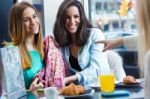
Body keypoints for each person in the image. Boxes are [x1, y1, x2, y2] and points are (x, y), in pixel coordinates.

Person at [53, 0, 111, 86]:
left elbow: (95, 70)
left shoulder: (95, 34)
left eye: (76, 16)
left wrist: (67, 79)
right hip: (81, 92)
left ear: (81, 17)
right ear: (62, 20)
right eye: (67, 17)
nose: (72, 21)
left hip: (102, 88)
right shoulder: (63, 44)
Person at [8, 2, 44, 98]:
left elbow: (41, 91)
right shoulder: (11, 52)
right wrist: (31, 92)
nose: (33, 22)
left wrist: (39, 93)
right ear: (18, 24)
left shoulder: (43, 47)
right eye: (26, 20)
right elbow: (9, 95)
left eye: (34, 16)